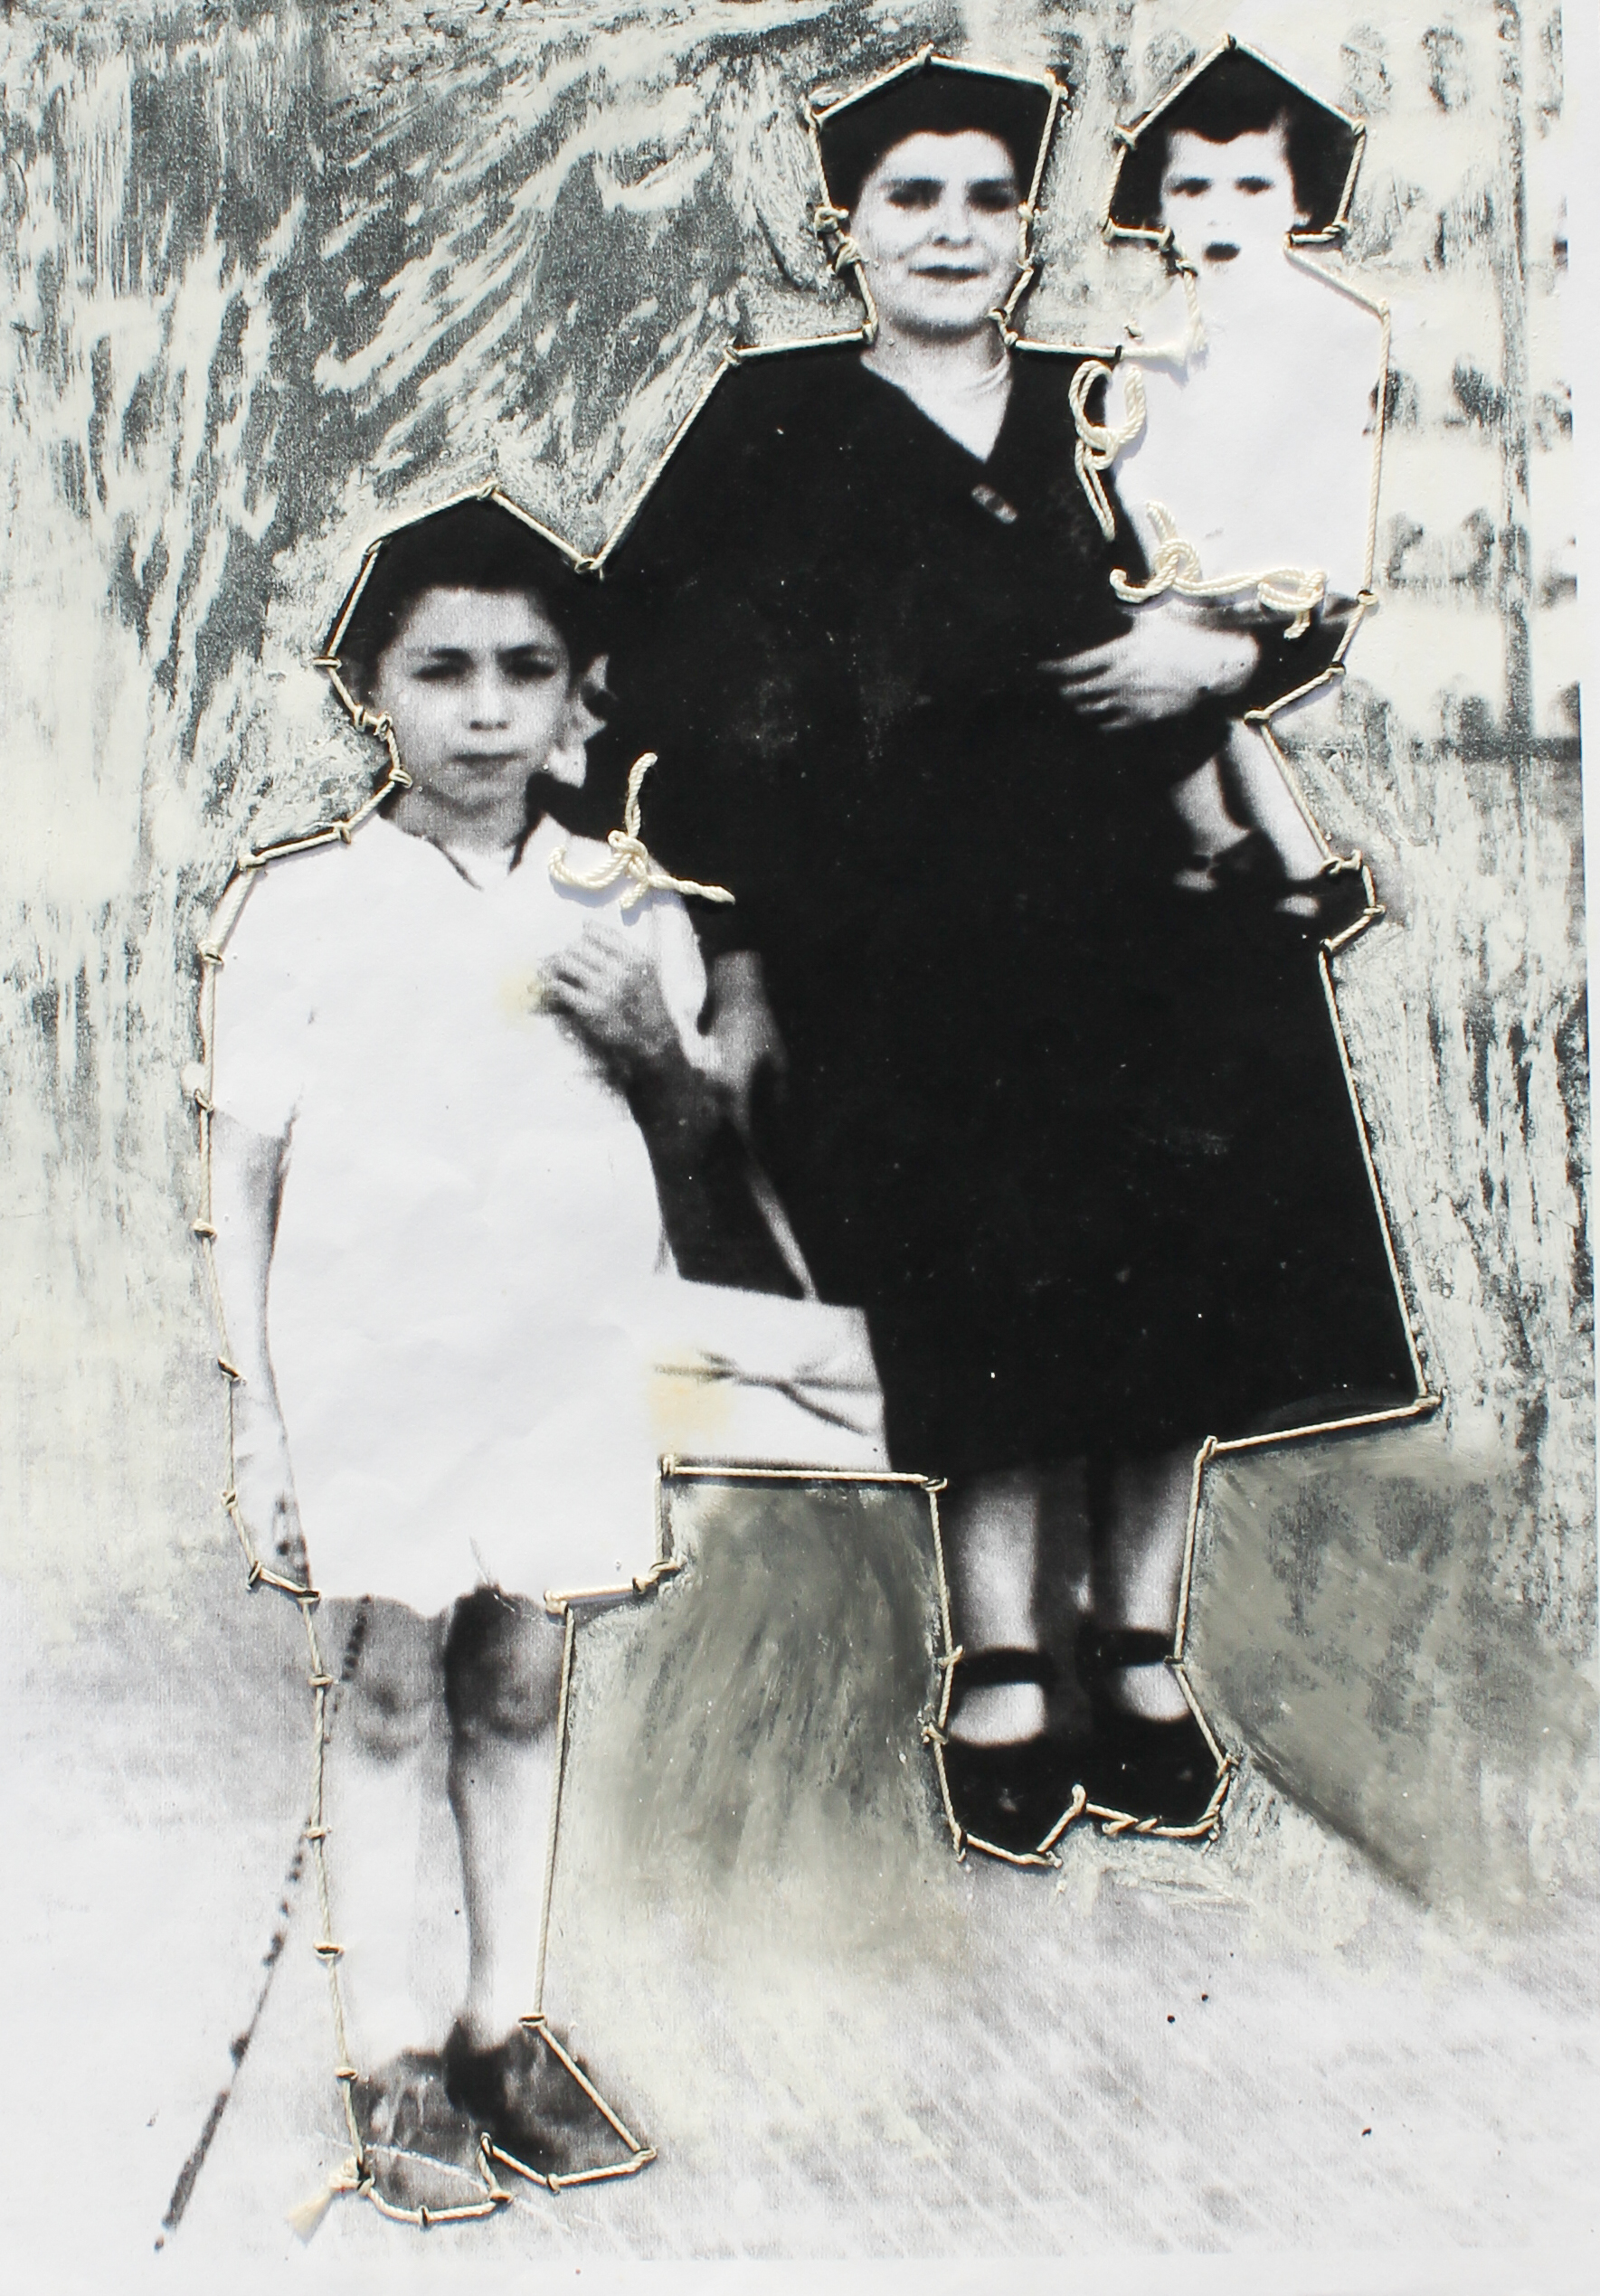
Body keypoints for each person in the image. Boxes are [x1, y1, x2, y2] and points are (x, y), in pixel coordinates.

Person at [598, 55, 1417, 1849]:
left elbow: (1282, 548)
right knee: (986, 1288)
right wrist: (730, 925)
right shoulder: (772, 419)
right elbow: (644, 667)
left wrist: (1234, 658)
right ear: (847, 228)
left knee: (1172, 1283)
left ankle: (1137, 1652)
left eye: (988, 197)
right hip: (910, 951)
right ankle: (1002, 1663)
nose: (954, 230)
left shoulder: (1114, 393)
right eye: (913, 197)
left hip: (1160, 921)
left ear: (1030, 229)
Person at [205, 498, 882, 2176]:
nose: (486, 709)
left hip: (557, 1361)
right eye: (441, 670)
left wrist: (659, 1049)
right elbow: (245, 1181)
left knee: (519, 1682)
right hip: (377, 1364)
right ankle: (391, 2055)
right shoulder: (299, 907)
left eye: (526, 669)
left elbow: (704, 1170)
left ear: (583, 694)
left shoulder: (629, 905)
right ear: (369, 687)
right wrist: (264, 1422)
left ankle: (503, 2026)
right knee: (385, 1691)